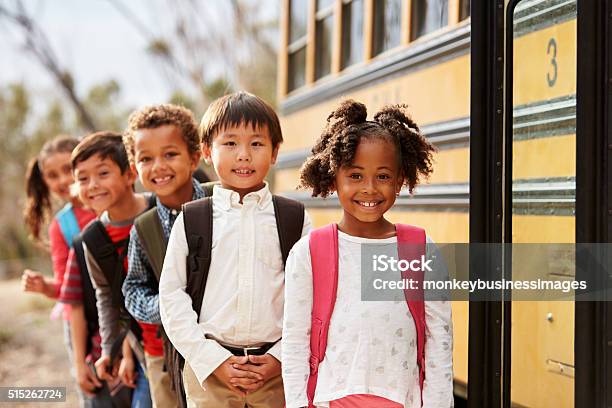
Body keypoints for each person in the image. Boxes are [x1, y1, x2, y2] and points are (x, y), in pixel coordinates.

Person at [282, 100, 454, 408]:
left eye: (383, 176)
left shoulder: (419, 246)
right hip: (331, 400)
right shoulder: (310, 251)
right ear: (334, 177)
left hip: (402, 400)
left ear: (400, 179)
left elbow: (439, 340)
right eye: (356, 175)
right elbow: (295, 341)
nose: (370, 188)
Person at [159, 91, 311, 408]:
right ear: (206, 152)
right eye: (229, 144)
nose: (243, 155)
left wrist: (279, 358)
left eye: (256, 144)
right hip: (210, 373)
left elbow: (311, 296)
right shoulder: (192, 219)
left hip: (277, 375)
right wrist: (211, 360)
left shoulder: (294, 219)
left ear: (274, 152)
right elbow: (171, 297)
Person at [122, 104, 207, 407]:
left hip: (227, 352)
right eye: (146, 158)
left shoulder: (223, 202)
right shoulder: (143, 229)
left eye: (170, 154)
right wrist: (169, 307)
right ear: (135, 168)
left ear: (194, 157)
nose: (158, 166)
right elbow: (132, 289)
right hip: (168, 361)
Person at [72, 131, 153, 407]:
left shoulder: (159, 212)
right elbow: (107, 297)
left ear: (130, 174)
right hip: (146, 352)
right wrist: (110, 350)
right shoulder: (92, 238)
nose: (92, 185)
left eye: (103, 173)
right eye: (83, 178)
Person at [22, 135, 95, 300]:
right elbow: (66, 287)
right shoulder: (62, 226)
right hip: (89, 318)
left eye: (68, 169)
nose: (63, 180)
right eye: (53, 176)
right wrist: (44, 287)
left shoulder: (111, 202)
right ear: (44, 181)